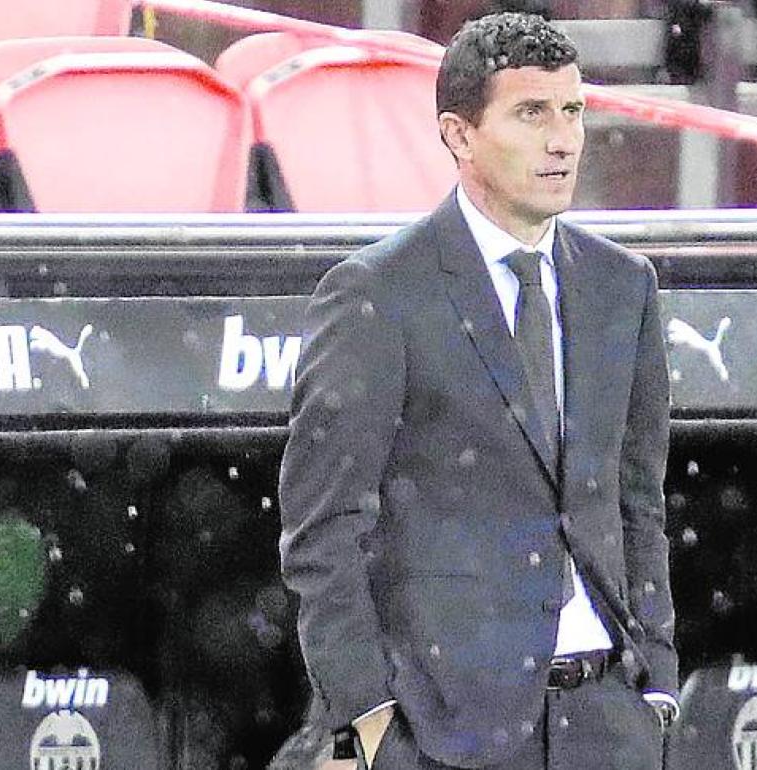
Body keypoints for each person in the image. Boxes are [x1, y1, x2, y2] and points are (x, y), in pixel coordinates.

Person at [278, 12, 677, 770]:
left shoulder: (624, 288)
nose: (563, 140)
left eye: (573, 111)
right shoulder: (378, 294)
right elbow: (322, 534)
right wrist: (371, 727)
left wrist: (654, 683)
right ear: (458, 135)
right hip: (446, 739)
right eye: (532, 114)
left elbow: (638, 504)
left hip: (609, 725)